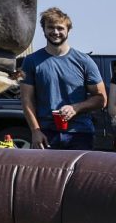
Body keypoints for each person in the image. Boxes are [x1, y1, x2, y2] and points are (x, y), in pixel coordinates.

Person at [20, 8, 106, 150]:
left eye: (60, 28)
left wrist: (76, 108)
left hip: (80, 132)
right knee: (44, 173)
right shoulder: (31, 61)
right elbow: (26, 100)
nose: (55, 32)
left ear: (68, 30)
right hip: (46, 133)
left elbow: (101, 99)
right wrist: (35, 131)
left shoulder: (84, 61)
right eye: (50, 27)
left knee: (79, 173)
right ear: (44, 30)